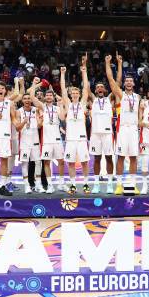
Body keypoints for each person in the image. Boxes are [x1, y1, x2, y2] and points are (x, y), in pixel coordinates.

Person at [106, 52, 139, 194]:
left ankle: (132, 185)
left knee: (133, 157)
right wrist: (108, 63)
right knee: (120, 157)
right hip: (123, 129)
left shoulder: (138, 97)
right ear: (125, 84)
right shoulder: (121, 95)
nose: (129, 83)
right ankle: (119, 184)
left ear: (134, 83)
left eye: (131, 81)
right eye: (127, 81)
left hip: (134, 129)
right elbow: (111, 79)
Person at [59, 56, 91, 195]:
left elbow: (86, 88)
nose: (75, 94)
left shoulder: (83, 103)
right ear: (71, 94)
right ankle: (72, 184)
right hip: (70, 138)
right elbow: (62, 88)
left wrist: (84, 72)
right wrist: (62, 74)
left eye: (77, 92)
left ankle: (85, 183)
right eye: (73, 92)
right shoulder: (67, 103)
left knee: (84, 162)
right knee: (71, 162)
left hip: (82, 138)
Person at [29, 80, 65, 193]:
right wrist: (35, 84)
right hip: (46, 140)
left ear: (53, 97)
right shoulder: (42, 107)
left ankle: (61, 183)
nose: (49, 97)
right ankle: (50, 185)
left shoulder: (58, 108)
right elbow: (32, 97)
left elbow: (63, 118)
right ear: (45, 97)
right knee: (46, 162)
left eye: (51, 95)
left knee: (61, 161)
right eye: (47, 95)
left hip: (57, 139)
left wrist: (61, 104)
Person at [88, 81, 115, 194]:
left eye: (102, 87)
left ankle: (109, 184)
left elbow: (115, 84)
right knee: (97, 159)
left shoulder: (109, 99)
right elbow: (86, 89)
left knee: (109, 158)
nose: (100, 88)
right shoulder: (92, 100)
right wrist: (84, 69)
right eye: (98, 87)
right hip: (95, 134)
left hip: (107, 133)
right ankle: (96, 184)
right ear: (95, 91)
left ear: (104, 90)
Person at [15, 92, 43, 193]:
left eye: (28, 98)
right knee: (25, 163)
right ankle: (27, 186)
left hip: (35, 139)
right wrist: (23, 122)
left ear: (31, 100)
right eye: (25, 99)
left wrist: (39, 122)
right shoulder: (18, 112)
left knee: (38, 162)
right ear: (22, 101)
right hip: (24, 141)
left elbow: (39, 125)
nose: (27, 100)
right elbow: (17, 128)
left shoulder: (36, 110)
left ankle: (38, 184)